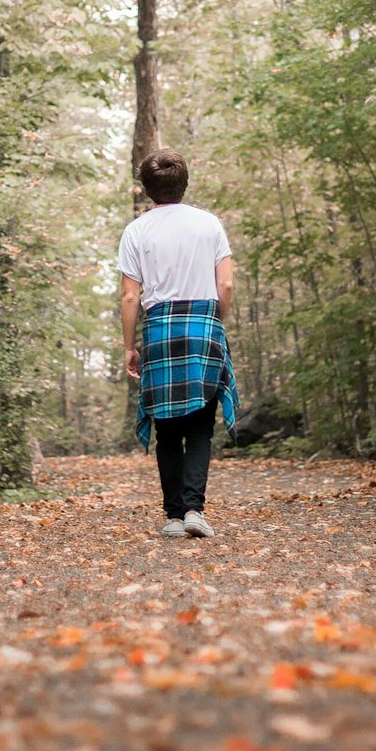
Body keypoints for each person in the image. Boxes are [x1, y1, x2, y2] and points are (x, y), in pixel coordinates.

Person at [118, 148, 238, 538]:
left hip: (159, 329)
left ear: (147, 188)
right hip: (204, 325)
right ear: (184, 183)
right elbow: (226, 284)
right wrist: (214, 322)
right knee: (201, 426)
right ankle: (194, 512)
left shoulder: (137, 231)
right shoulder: (209, 224)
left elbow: (130, 296)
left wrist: (128, 346)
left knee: (167, 428)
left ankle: (173, 516)